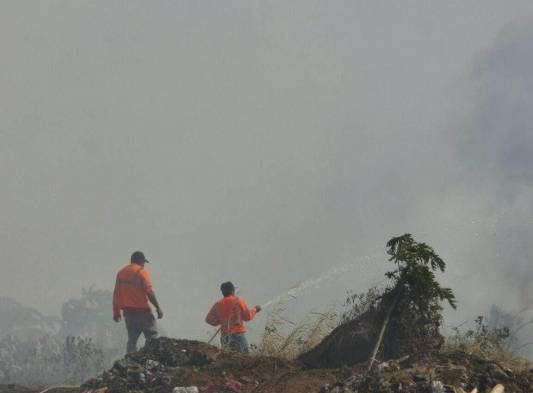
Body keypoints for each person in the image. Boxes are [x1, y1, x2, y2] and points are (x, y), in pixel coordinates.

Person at [113, 251, 164, 353]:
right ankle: (152, 361)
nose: (144, 265)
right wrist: (158, 307)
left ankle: (129, 363)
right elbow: (149, 292)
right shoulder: (141, 271)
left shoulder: (120, 273)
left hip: (129, 314)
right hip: (143, 313)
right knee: (152, 338)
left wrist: (116, 312)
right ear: (141, 261)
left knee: (132, 341)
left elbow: (116, 294)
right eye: (143, 262)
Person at [205, 281, 261, 353]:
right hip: (238, 335)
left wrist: (219, 322)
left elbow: (208, 319)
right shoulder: (238, 301)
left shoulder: (218, 304)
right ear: (233, 290)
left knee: (228, 359)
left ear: (222, 292)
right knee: (244, 358)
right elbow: (248, 317)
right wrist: (255, 309)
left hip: (225, 337)